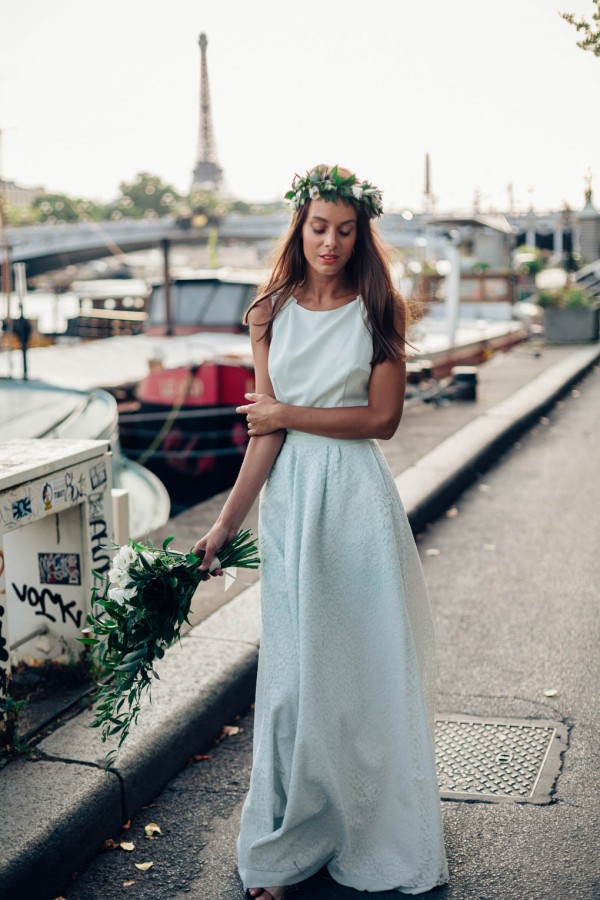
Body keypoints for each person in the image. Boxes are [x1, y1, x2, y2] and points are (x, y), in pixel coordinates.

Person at [193, 164, 448, 899]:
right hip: (292, 507)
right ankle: (284, 843)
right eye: (317, 227)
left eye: (344, 229)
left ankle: (365, 826)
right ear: (298, 229)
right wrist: (223, 525)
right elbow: (263, 437)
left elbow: (382, 421)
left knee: (360, 677)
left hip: (356, 506)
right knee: (292, 684)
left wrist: (285, 415)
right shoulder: (268, 312)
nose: (330, 242)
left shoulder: (380, 308)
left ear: (360, 233)